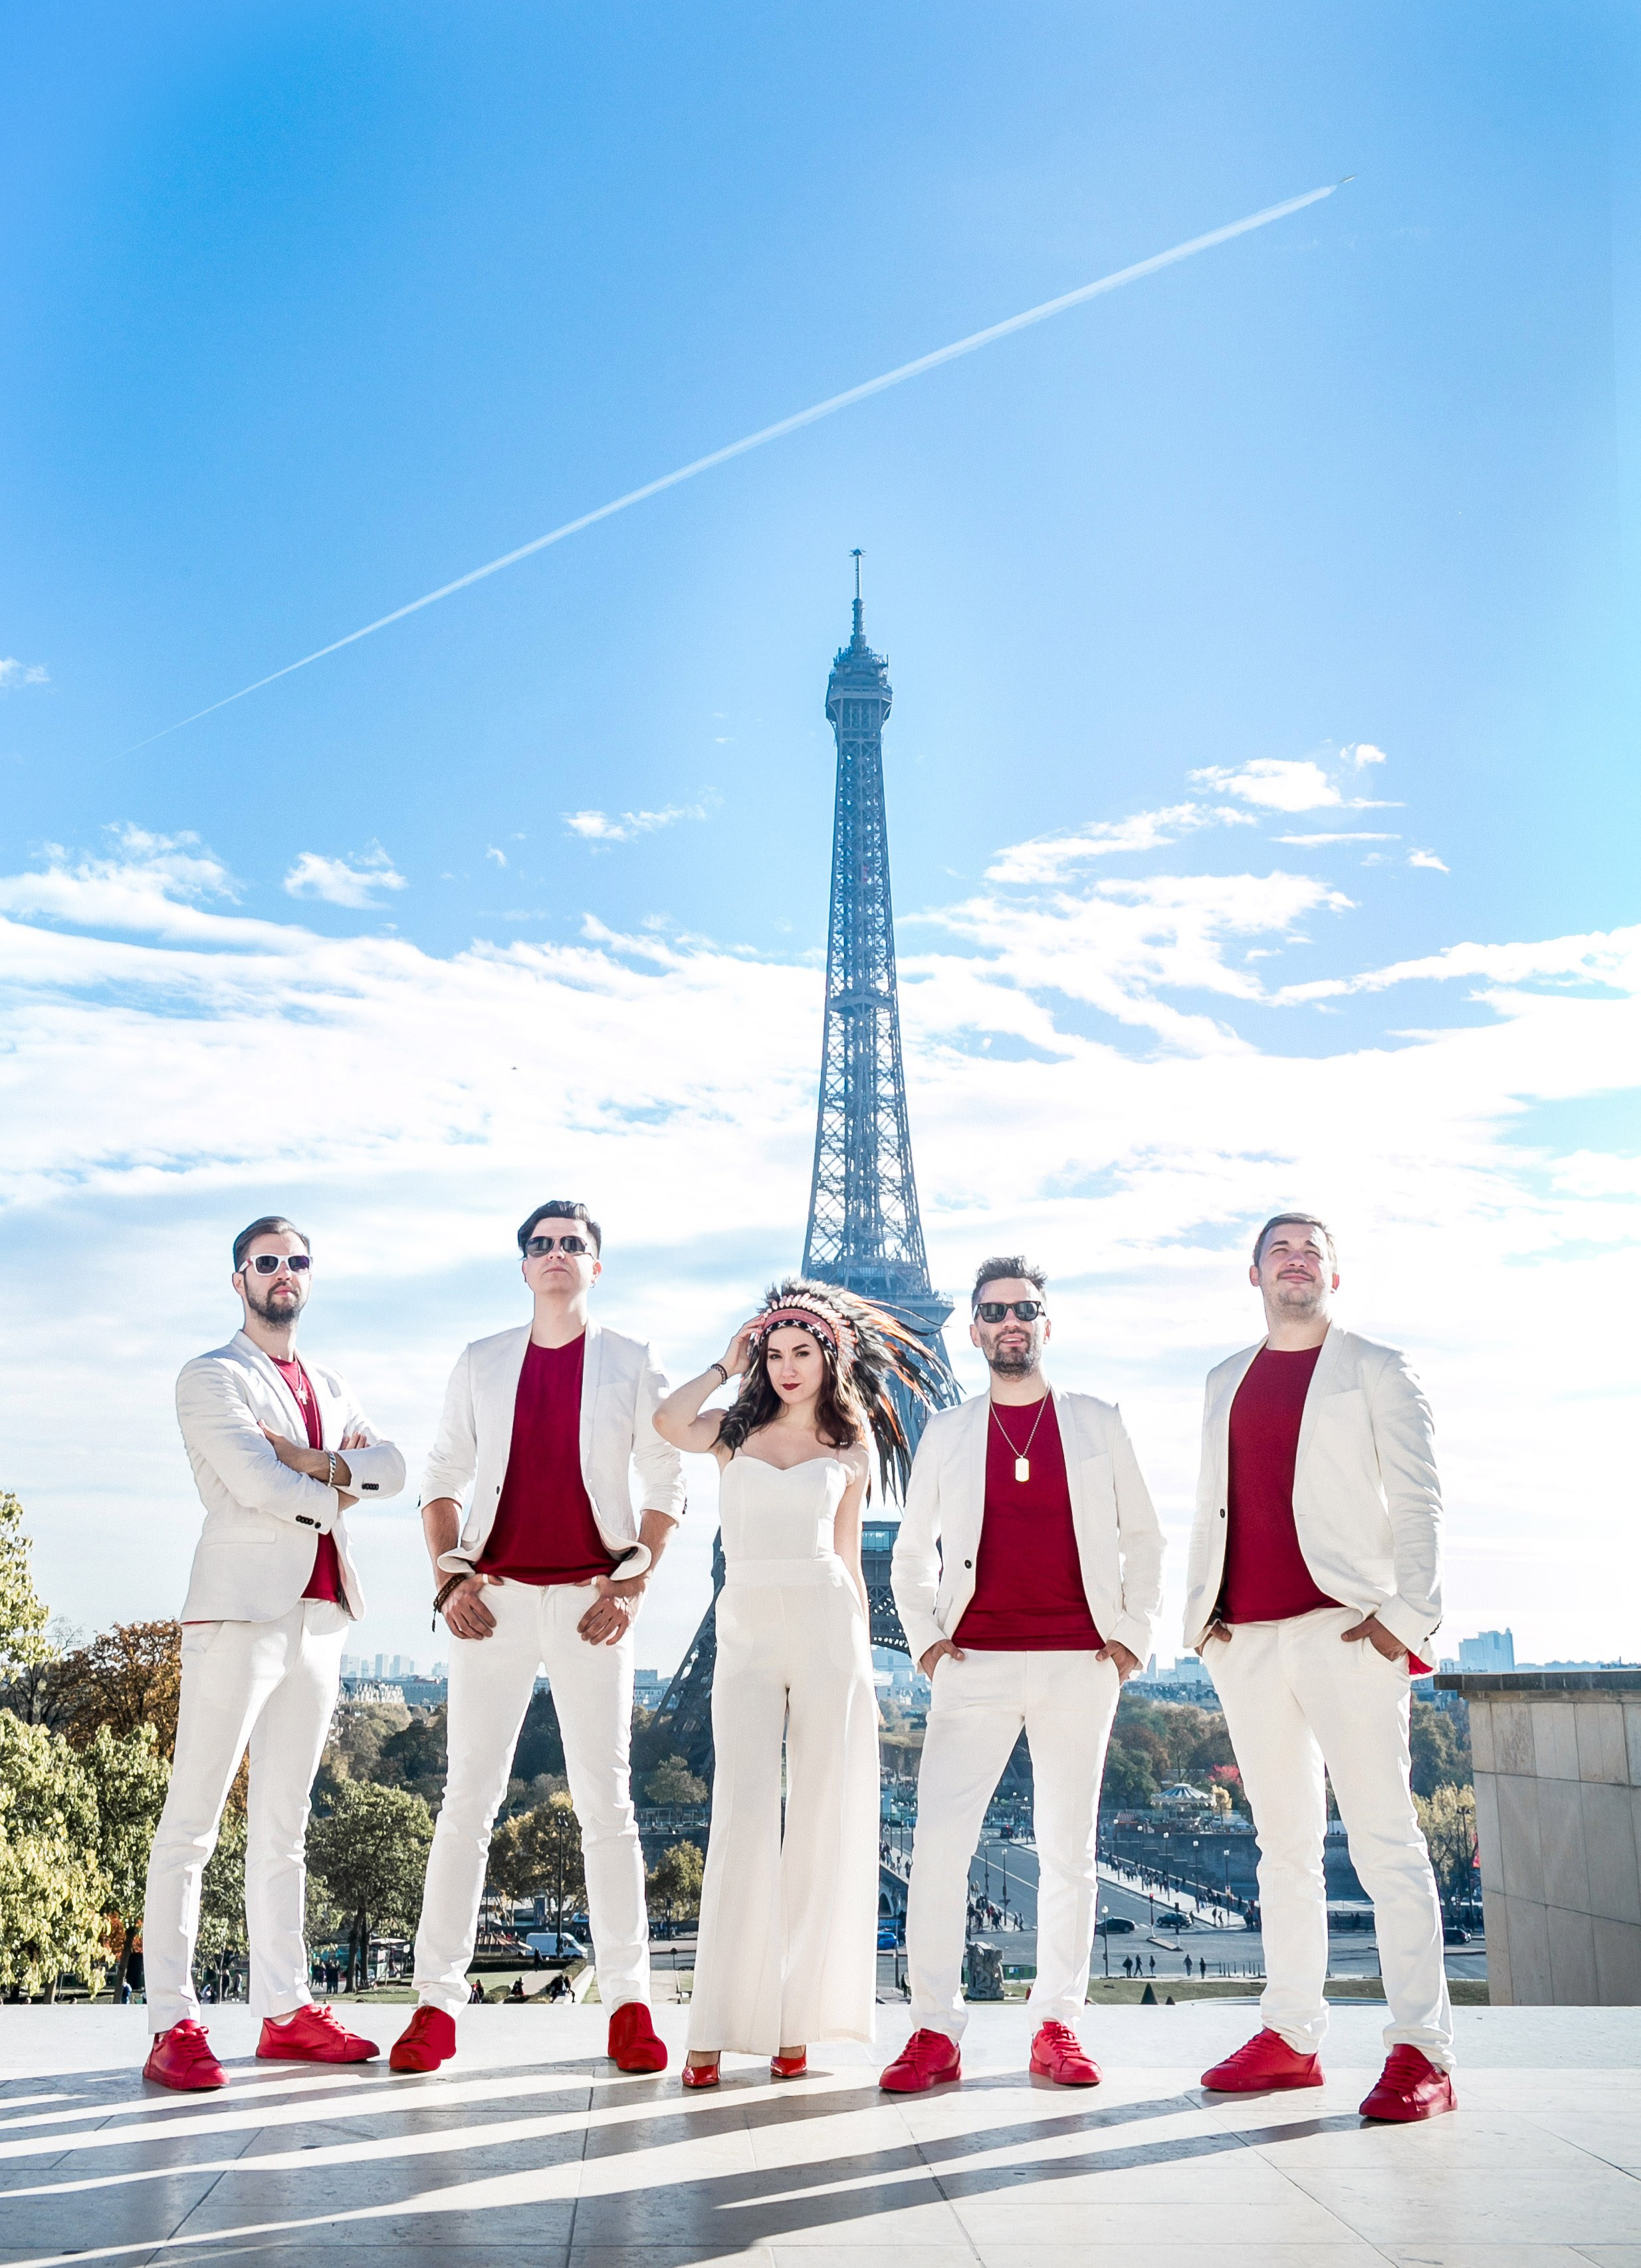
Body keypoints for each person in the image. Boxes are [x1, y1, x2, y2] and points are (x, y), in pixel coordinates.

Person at [389, 1201, 685, 2076]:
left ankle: (629, 2003)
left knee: (609, 1806)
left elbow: (668, 1476)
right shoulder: (481, 1362)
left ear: (596, 1266)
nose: (557, 1256)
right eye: (542, 1245)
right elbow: (441, 1472)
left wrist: (634, 1583)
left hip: (594, 1601)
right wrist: (449, 1578)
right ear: (524, 1267)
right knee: (466, 1803)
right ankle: (435, 2005)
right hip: (496, 1600)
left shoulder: (631, 1361)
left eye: (573, 1245)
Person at [1185, 1213, 1454, 2122]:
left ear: (1332, 1274)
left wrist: (1405, 1621)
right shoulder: (1224, 1379)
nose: (1296, 1262)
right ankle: (1292, 2035)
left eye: (1312, 1251)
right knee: (1283, 1849)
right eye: (1281, 1251)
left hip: (1347, 1631)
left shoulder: (1377, 1369)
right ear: (1251, 1272)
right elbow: (1218, 1506)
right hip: (1247, 1641)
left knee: (1384, 1841)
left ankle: (1423, 2050)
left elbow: (1420, 1501)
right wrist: (1205, 1624)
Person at [883, 1257, 1164, 2093]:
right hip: (976, 1661)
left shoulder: (1095, 1421)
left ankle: (1057, 2024)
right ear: (970, 1329)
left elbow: (1143, 1539)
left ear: (1048, 1323)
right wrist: (930, 1645)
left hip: (1081, 1661)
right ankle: (935, 2029)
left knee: (1069, 1850)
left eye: (1026, 1309)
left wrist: (1129, 1643)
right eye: (995, 1310)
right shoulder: (949, 1430)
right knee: (939, 1845)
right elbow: (909, 1554)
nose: (1012, 1322)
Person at [142, 1216, 405, 2092]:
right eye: (266, 1263)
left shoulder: (328, 1382)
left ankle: (286, 2011)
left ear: (309, 1277)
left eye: (296, 1261)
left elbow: (396, 1468)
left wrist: (309, 1459)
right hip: (239, 1616)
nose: (282, 1273)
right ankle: (172, 2023)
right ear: (238, 1280)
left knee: (286, 1826)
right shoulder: (211, 1376)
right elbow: (256, 1484)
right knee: (193, 1824)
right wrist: (338, 1481)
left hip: (321, 1616)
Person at [655, 1281, 938, 2087]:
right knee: (740, 1815)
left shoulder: (852, 1450)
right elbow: (666, 1422)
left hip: (826, 1628)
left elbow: (849, 1558)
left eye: (800, 1352)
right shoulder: (728, 1435)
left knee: (819, 1823)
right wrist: (724, 1362)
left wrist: (863, 1665)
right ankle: (713, 2025)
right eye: (773, 1354)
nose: (785, 1367)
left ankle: (795, 2023)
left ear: (829, 1358)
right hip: (744, 1632)